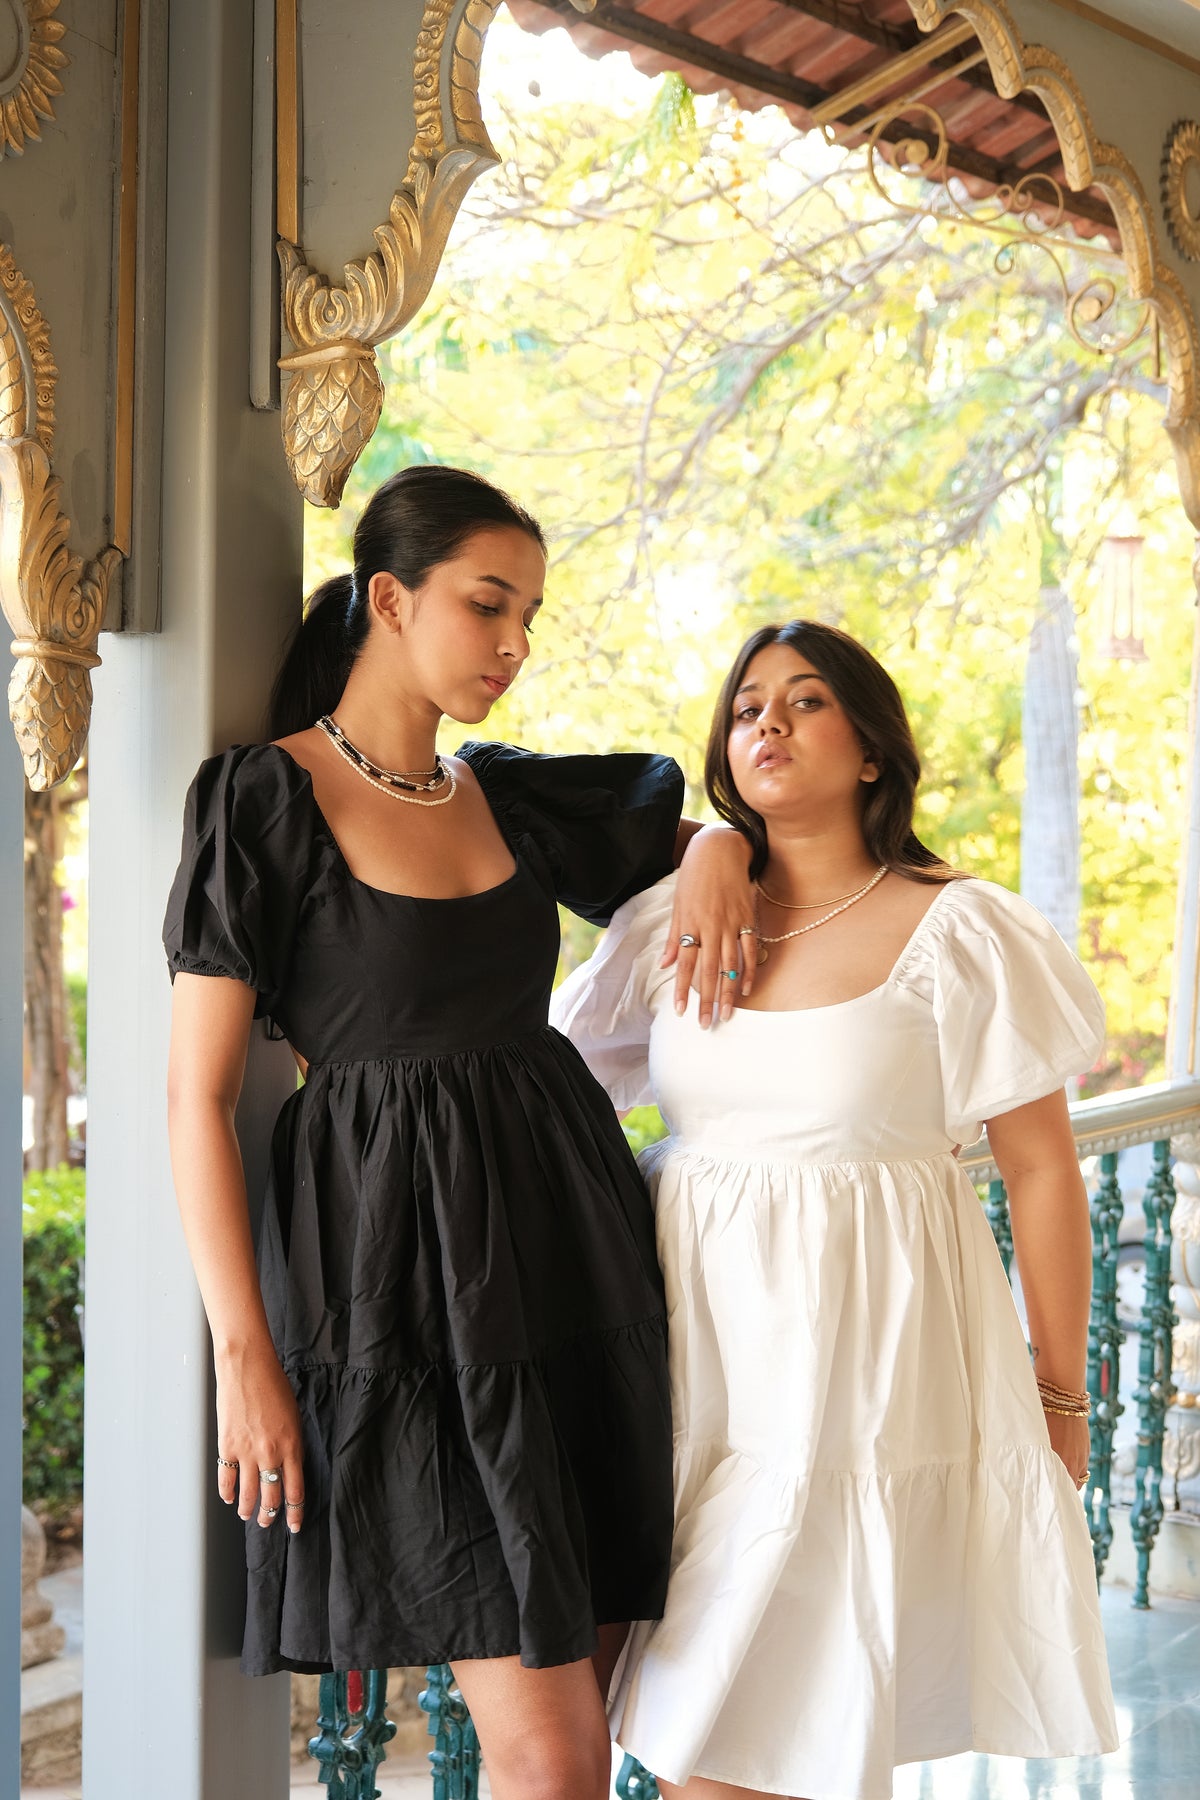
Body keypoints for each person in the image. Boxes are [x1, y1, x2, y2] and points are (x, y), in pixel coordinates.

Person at [161, 464, 755, 1800]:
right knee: (550, 1755)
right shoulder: (266, 799)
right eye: (489, 605)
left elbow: (692, 836)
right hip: (403, 1291)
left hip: (576, 1259)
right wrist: (243, 1356)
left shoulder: (507, 796)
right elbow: (193, 1095)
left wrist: (717, 847)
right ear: (390, 598)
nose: (514, 642)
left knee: (600, 1720)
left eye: (528, 614)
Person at [551, 619, 1119, 1800]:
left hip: (857, 1383)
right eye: (747, 706)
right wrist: (712, 846)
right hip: (686, 1374)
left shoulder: (963, 930)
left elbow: (1042, 1171)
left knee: (765, 1730)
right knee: (734, 1732)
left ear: (871, 751)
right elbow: (549, 1091)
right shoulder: (671, 922)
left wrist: (1059, 1389)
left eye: (806, 701)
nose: (769, 722)